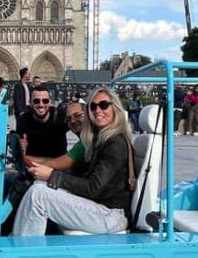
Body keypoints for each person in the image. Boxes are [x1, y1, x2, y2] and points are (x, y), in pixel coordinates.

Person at [13, 87, 132, 236]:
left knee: (38, 195)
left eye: (103, 105)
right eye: (93, 106)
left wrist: (52, 176)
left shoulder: (115, 143)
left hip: (110, 214)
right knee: (39, 185)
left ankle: (23, 253)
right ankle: (19, 238)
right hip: (98, 206)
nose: (97, 110)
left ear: (115, 108)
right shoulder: (100, 139)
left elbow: (93, 187)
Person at [25, 101, 86, 174]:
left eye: (77, 115)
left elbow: (54, 164)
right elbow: (57, 160)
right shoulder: (81, 143)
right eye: (68, 119)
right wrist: (25, 158)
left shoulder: (85, 143)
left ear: (88, 115)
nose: (72, 121)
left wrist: (27, 164)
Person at [16, 87, 68, 159]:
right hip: (34, 165)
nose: (41, 105)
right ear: (30, 103)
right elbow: (19, 150)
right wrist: (20, 145)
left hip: (59, 165)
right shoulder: (23, 120)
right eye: (36, 101)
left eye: (45, 101)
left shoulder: (60, 116)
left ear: (50, 102)